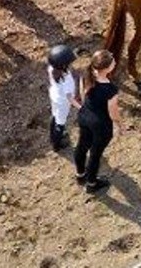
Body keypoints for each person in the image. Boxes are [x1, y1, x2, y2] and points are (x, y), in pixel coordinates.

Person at [73, 50, 121, 192]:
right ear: (107, 68)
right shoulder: (111, 89)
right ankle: (92, 184)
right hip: (100, 125)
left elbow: (82, 96)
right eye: (113, 61)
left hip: (84, 116)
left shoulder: (86, 76)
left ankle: (80, 175)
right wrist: (119, 124)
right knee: (95, 154)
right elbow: (113, 113)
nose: (115, 62)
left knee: (81, 146)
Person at [46, 44, 79, 151]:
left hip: (54, 95)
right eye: (69, 63)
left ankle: (52, 136)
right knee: (60, 123)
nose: (71, 64)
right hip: (63, 102)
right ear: (64, 66)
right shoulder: (66, 81)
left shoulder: (52, 68)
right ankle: (57, 145)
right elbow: (70, 98)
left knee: (54, 115)